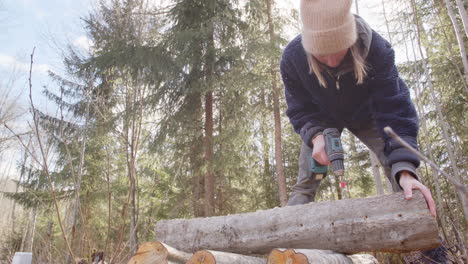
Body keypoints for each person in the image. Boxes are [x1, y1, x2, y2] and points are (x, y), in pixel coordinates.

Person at [280, 0, 447, 263]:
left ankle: (429, 253)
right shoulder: (292, 59)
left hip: (369, 113)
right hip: (323, 120)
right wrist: (316, 136)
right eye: (323, 55)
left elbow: (395, 110)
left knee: (400, 174)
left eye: (340, 50)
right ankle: (283, 243)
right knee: (306, 181)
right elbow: (300, 109)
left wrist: (404, 169)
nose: (333, 60)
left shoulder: (377, 49)